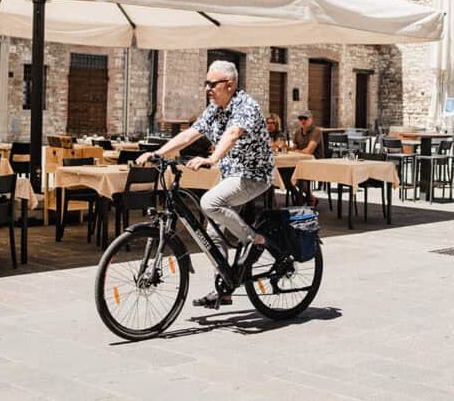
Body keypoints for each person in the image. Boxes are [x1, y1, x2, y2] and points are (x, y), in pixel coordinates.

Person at [137, 60, 273, 308]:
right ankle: (225, 288)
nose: (207, 88)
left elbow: (232, 134)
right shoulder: (215, 108)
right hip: (231, 175)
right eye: (205, 83)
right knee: (213, 233)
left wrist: (212, 158)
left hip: (253, 175)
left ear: (229, 85)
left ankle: (255, 240)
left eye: (212, 84)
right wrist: (159, 153)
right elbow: (190, 134)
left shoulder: (246, 105)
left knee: (209, 203)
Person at [289, 109, 325, 207]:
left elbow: (309, 151)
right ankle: (306, 197)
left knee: (296, 175)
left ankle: (305, 198)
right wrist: (285, 148)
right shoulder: (298, 132)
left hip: (315, 163)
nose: (303, 121)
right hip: (299, 163)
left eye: (305, 118)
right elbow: (294, 148)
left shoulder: (316, 131)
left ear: (311, 119)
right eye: (300, 118)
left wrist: (296, 151)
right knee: (285, 174)